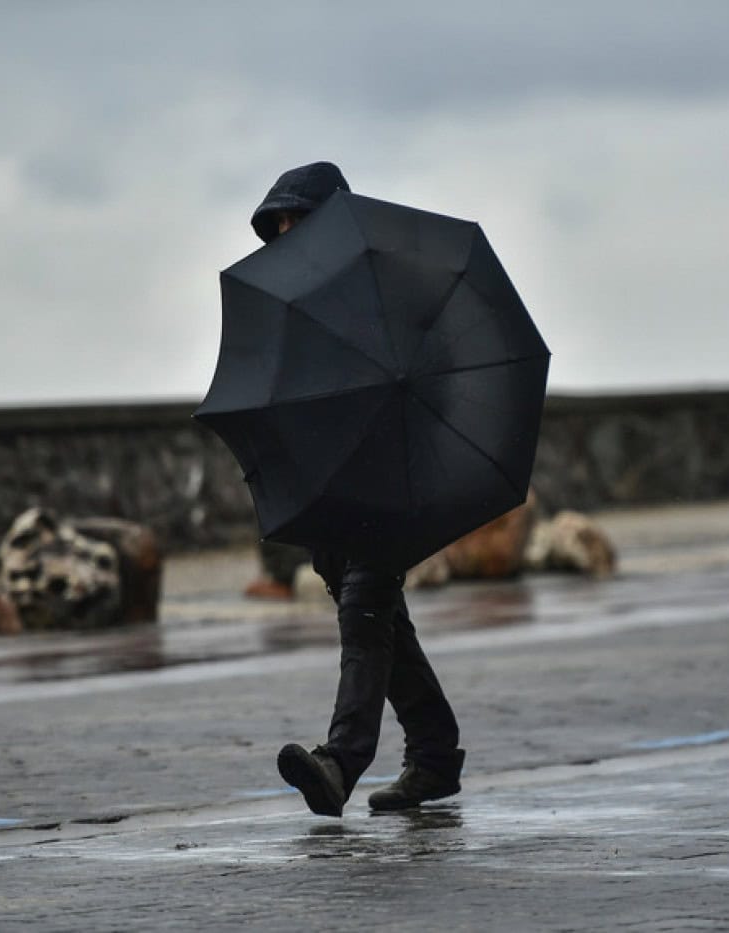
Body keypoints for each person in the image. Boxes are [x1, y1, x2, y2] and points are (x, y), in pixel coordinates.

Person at [246, 161, 466, 816]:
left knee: (365, 605)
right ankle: (435, 754)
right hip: (334, 480)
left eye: (298, 220)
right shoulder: (294, 307)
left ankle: (341, 762)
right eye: (279, 224)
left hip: (393, 473)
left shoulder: (387, 288)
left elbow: (436, 371)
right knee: (378, 613)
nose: (286, 233)